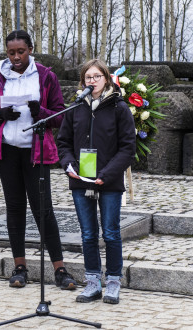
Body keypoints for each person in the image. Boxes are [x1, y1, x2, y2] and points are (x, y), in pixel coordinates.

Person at [0, 30, 77, 291]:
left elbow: (61, 116)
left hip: (37, 152)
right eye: (11, 53)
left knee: (43, 209)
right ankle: (20, 267)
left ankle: (60, 269)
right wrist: (1, 113)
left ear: (30, 49)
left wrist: (40, 112)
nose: (16, 57)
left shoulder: (46, 77)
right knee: (15, 208)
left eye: (20, 51)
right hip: (7, 151)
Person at [57, 59, 136, 303]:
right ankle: (93, 282)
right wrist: (68, 165)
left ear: (106, 78)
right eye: (87, 77)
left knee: (111, 233)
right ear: (83, 81)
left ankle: (113, 281)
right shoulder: (76, 107)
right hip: (81, 180)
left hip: (108, 181)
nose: (92, 81)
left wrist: (107, 174)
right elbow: (63, 142)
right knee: (88, 234)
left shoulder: (119, 108)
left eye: (96, 76)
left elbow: (127, 148)